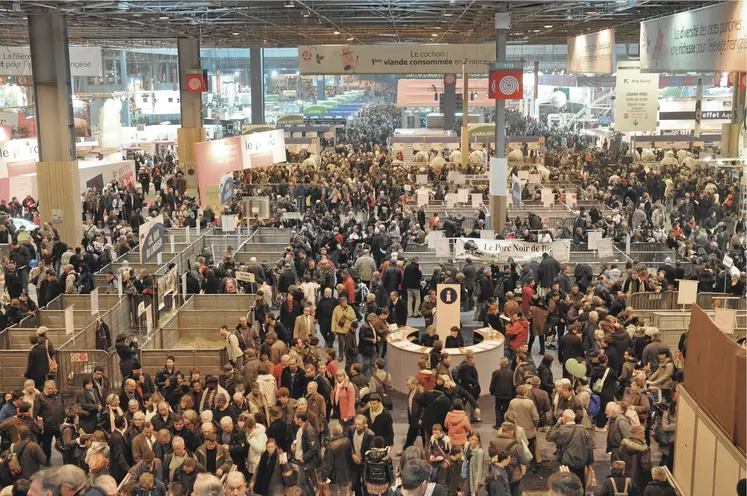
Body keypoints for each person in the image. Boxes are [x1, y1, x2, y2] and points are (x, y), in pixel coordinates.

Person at [546, 409, 594, 493]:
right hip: (582, 462)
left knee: (568, 484)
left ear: (564, 418)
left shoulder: (562, 430)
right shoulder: (584, 430)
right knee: (580, 482)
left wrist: (557, 423)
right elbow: (589, 447)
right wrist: (589, 463)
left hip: (568, 461)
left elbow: (549, 436)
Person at [487, 422, 529, 496]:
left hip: (497, 474)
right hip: (513, 477)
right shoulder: (516, 445)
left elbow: (492, 457)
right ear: (511, 431)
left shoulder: (492, 442)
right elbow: (524, 461)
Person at [321, 421, 353, 496]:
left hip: (334, 475)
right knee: (345, 492)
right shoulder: (347, 441)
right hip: (345, 473)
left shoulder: (330, 446)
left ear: (332, 432)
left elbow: (328, 465)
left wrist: (324, 478)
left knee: (333, 492)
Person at [616, 425, 652, 492]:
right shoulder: (644, 449)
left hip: (624, 478)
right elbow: (646, 466)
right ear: (639, 434)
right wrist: (650, 478)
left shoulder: (623, 444)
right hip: (639, 479)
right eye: (643, 433)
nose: (644, 435)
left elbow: (618, 457)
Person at [294, 412, 320, 496]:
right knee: (306, 480)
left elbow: (313, 448)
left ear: (300, 419)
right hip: (301, 458)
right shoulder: (301, 428)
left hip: (305, 460)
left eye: (295, 418)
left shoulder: (309, 430)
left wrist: (304, 458)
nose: (294, 419)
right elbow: (299, 441)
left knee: (301, 483)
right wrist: (293, 445)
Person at [348, 414, 374, 496]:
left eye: (359, 424)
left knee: (365, 483)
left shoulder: (370, 435)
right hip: (354, 461)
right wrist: (353, 455)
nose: (357, 426)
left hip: (364, 463)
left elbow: (370, 450)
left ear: (364, 425)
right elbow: (348, 443)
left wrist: (362, 459)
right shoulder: (351, 430)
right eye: (356, 424)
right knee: (355, 482)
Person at [489, 358, 515, 428]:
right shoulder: (511, 372)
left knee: (497, 408)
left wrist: (491, 392)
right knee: (505, 408)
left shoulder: (495, 373)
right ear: (507, 363)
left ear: (500, 364)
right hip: (509, 394)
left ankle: (498, 424)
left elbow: (492, 384)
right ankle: (504, 422)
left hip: (498, 394)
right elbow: (513, 384)